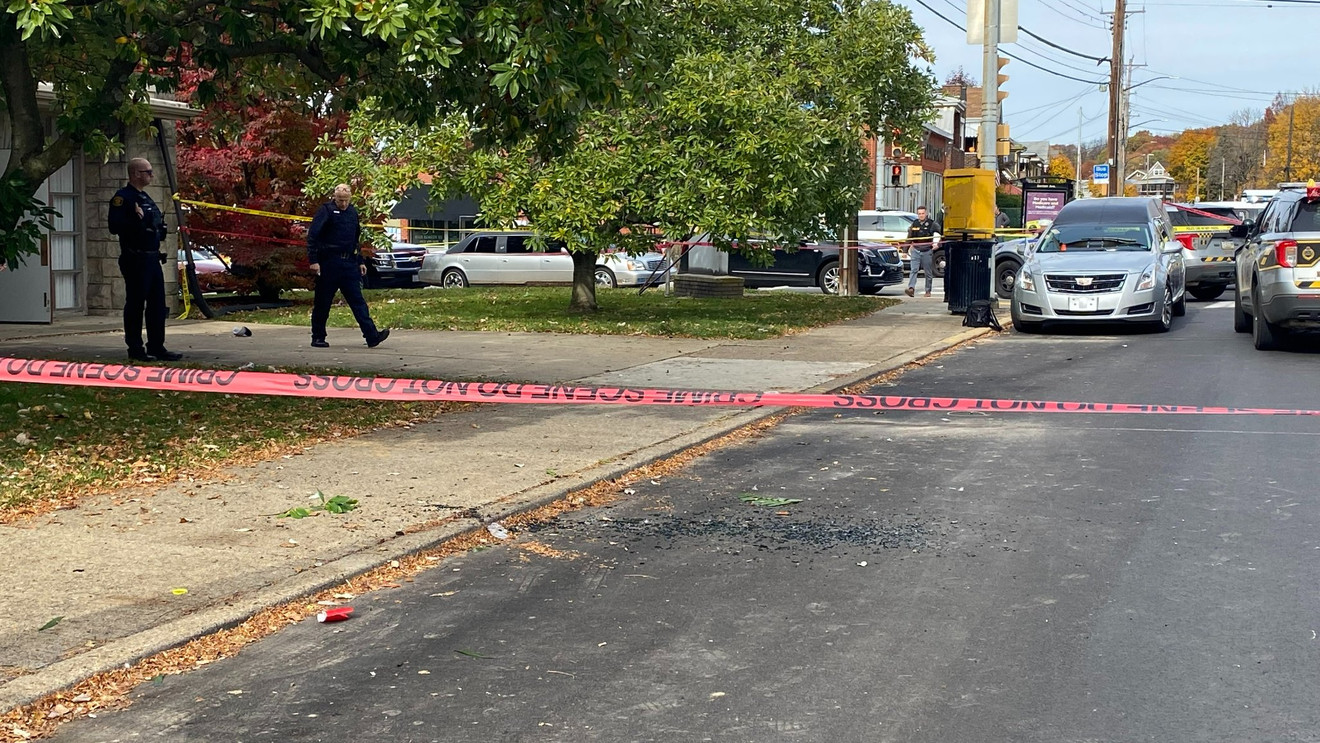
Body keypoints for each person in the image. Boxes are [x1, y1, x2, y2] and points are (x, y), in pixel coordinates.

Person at [109, 158, 182, 362]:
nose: (151, 175)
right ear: (135, 174)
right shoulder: (123, 198)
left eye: (151, 171)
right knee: (135, 304)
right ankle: (135, 348)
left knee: (157, 305)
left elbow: (154, 224)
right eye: (147, 171)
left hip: (152, 257)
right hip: (135, 258)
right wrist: (135, 219)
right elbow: (115, 226)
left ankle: (157, 346)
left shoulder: (145, 198)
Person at [307, 184, 389, 348]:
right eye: (340, 200)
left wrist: (359, 261)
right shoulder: (326, 211)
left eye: (345, 200)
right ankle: (318, 337)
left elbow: (355, 239)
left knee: (358, 301)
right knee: (323, 302)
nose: (343, 204)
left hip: (349, 264)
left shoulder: (352, 212)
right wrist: (314, 260)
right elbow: (313, 237)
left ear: (350, 198)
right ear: (334, 197)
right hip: (328, 263)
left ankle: (372, 336)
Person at [904, 205, 942, 298]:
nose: (921, 215)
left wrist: (937, 244)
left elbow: (941, 234)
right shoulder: (914, 224)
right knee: (914, 270)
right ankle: (911, 288)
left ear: (926, 214)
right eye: (919, 214)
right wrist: (905, 251)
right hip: (916, 250)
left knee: (928, 272)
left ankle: (928, 290)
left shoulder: (932, 224)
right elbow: (909, 237)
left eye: (922, 213)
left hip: (927, 250)